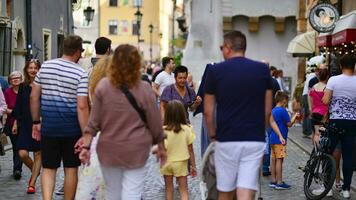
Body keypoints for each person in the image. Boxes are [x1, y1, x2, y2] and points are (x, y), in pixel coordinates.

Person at [78, 44, 167, 200]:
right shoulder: (144, 88)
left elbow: (94, 122)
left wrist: (86, 146)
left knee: (113, 193)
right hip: (137, 149)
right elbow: (155, 123)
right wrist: (161, 145)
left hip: (109, 149)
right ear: (137, 63)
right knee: (132, 193)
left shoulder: (103, 87)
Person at [204, 30, 273, 199]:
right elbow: (268, 109)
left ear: (227, 47)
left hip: (226, 138)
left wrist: (213, 135)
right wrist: (260, 130)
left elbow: (208, 111)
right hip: (253, 139)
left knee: (225, 190)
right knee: (246, 190)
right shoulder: (263, 70)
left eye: (222, 47)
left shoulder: (215, 71)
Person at [30, 35, 90, 200]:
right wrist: (86, 134)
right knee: (71, 169)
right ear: (78, 51)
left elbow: (34, 96)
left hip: (49, 128)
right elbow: (82, 106)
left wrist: (36, 122)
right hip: (72, 130)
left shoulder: (46, 66)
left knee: (48, 168)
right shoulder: (80, 73)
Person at [322, 54, 356, 199]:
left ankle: (327, 188)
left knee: (328, 153)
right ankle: (346, 189)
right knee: (348, 157)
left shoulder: (333, 80)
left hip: (335, 121)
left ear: (341, 66)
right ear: (353, 66)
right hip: (352, 122)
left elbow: (325, 100)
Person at [12, 61, 42, 194]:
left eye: (36, 68)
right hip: (24, 124)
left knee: (38, 153)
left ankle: (32, 182)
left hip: (39, 124)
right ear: (26, 69)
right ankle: (35, 170)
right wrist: (14, 123)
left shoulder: (43, 86)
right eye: (30, 68)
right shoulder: (23, 86)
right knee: (22, 153)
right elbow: (18, 105)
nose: (33, 70)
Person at [160, 100, 197, 200]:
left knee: (168, 189)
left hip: (166, 163)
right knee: (183, 190)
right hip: (181, 163)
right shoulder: (187, 129)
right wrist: (193, 166)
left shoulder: (162, 130)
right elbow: (191, 149)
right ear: (182, 113)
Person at [268, 91, 299, 190]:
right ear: (284, 101)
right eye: (286, 101)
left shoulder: (273, 110)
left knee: (273, 160)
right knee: (279, 160)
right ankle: (280, 182)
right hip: (280, 140)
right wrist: (294, 116)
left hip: (272, 138)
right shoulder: (283, 110)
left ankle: (273, 180)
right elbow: (289, 124)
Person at [3, 71, 23, 180]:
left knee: (21, 146)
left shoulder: (25, 91)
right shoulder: (7, 92)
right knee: (16, 146)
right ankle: (17, 168)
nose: (15, 79)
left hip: (24, 123)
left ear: (21, 79)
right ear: (10, 81)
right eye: (13, 78)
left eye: (17, 77)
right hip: (11, 123)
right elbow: (4, 107)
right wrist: (15, 112)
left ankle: (19, 168)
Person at [302, 66, 316, 137]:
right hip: (307, 95)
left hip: (305, 95)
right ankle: (308, 132)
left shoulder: (308, 76)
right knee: (308, 113)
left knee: (306, 114)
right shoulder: (312, 77)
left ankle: (305, 131)